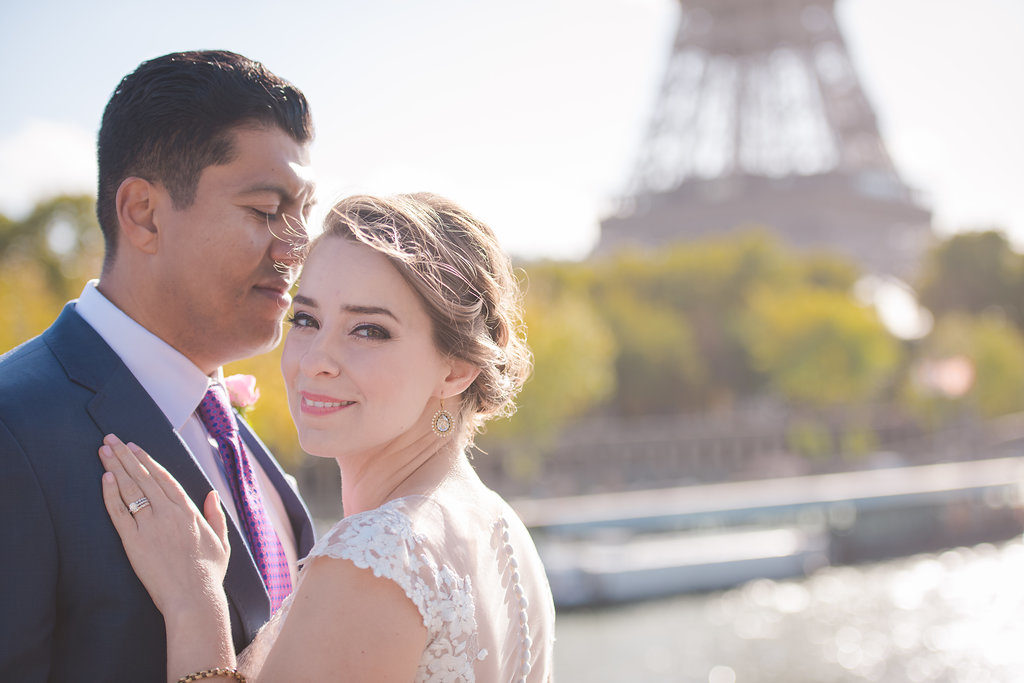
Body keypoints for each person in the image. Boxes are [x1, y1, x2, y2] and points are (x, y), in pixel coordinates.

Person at [98, 193, 556, 682]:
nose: (315, 359)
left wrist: (193, 601)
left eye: (368, 330)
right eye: (306, 320)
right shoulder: (505, 534)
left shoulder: (374, 559)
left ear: (456, 370)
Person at [0, 51, 317, 681]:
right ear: (143, 213)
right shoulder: (15, 427)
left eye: (304, 212)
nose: (298, 246)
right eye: (265, 211)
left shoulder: (226, 422)